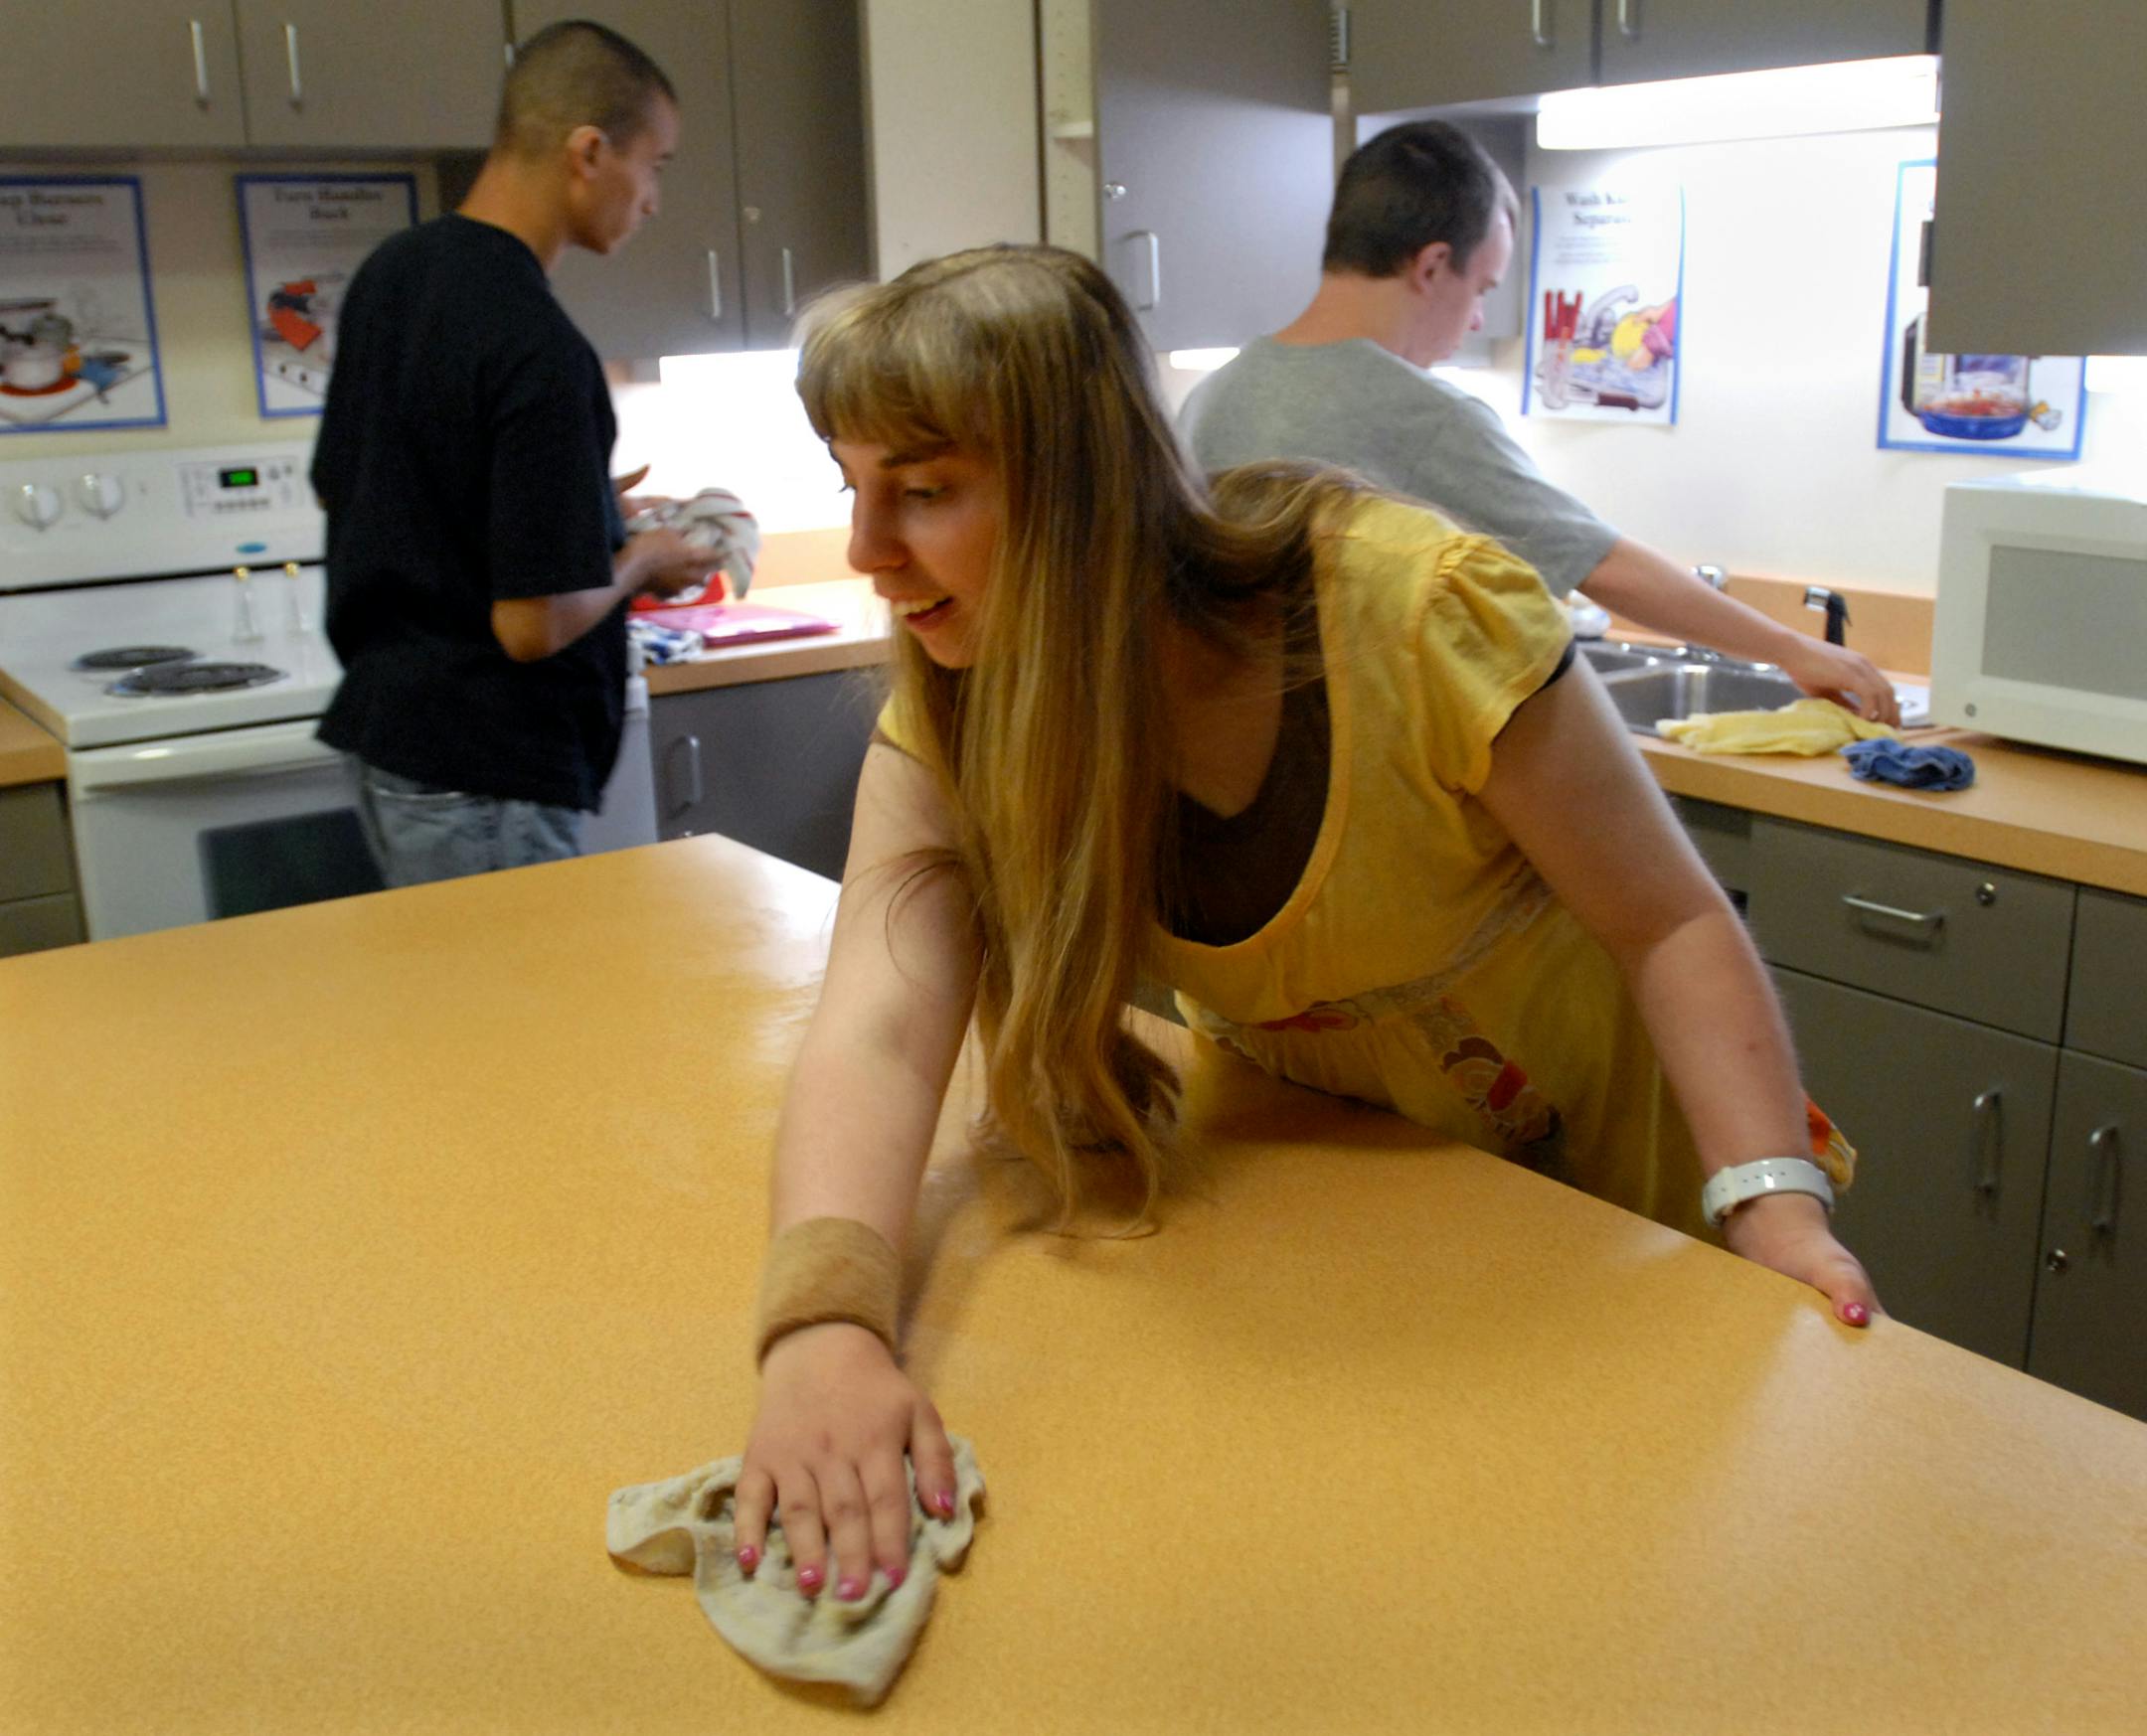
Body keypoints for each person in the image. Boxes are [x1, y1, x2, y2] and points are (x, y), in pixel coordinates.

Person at [729, 244, 1881, 1608]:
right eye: (852, 488)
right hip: (1365, 1196)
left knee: (1662, 1571)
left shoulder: (1408, 616)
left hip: (1621, 1197)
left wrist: (1769, 1206)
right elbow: (876, 1016)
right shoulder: (964, 699)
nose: (869, 554)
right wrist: (823, 1326)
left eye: (921, 492)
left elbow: (1669, 919)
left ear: (1083, 487)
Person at [1180, 120, 1901, 726]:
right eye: (1482, 288)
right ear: (1432, 266)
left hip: (1235, 780)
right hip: (1368, 778)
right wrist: (1788, 647)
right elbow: (1604, 565)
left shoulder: (1213, 397)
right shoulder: (1418, 414)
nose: (1475, 320)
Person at [311, 20, 713, 887]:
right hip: (484, 769)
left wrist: (585, 505)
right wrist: (640, 556)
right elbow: (529, 627)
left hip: (392, 740)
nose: (652, 200)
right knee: (511, 1018)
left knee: (447, 1012)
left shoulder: (395, 274)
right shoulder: (539, 345)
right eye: (656, 166)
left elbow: (385, 484)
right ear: (590, 152)